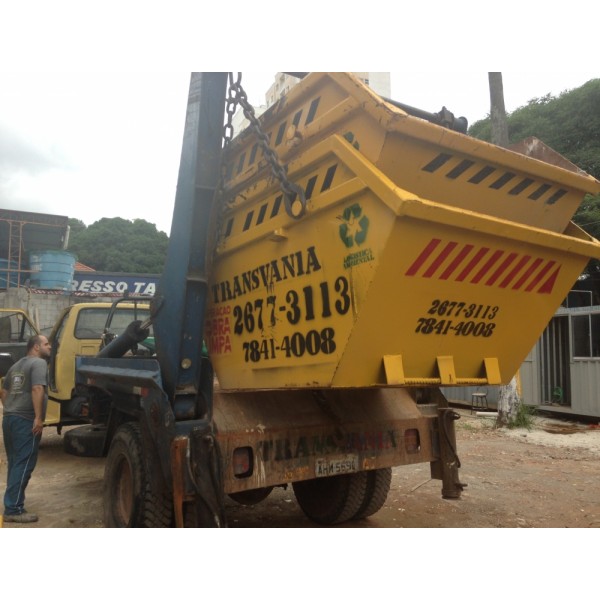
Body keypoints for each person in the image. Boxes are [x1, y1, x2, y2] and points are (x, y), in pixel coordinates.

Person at [1, 334, 51, 523]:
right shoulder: (38, 364)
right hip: (25, 420)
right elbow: (37, 388)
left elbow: (4, 391)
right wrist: (38, 418)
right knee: (24, 463)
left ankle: (14, 503)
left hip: (10, 419)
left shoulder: (16, 366)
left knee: (15, 463)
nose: (50, 347)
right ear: (36, 347)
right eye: (46, 344)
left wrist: (11, 409)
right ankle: (13, 509)